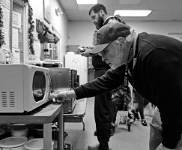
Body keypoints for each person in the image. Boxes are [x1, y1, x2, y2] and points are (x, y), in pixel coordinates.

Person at [52, 21, 182, 150]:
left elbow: (173, 105)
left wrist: (168, 145)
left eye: (105, 51)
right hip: (167, 104)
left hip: (176, 106)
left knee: (170, 141)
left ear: (120, 42)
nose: (103, 58)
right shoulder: (130, 56)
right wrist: (70, 94)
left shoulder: (154, 54)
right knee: (156, 138)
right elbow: (106, 81)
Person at [79, 4, 127, 150]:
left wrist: (90, 52)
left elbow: (112, 49)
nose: (93, 20)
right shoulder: (107, 26)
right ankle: (103, 142)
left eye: (94, 17)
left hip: (105, 72)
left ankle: (103, 146)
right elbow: (105, 47)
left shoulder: (111, 24)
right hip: (104, 71)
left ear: (101, 12)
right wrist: (92, 50)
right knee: (103, 109)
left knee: (102, 110)